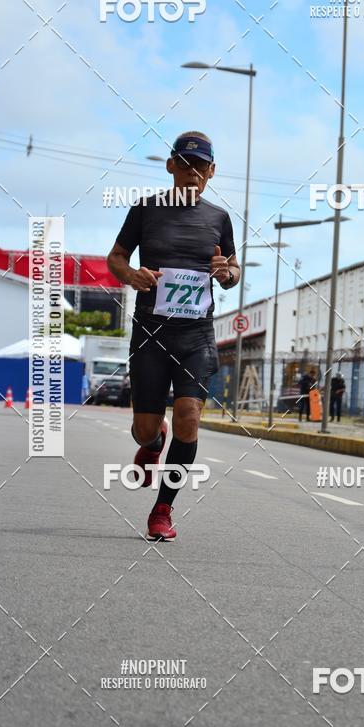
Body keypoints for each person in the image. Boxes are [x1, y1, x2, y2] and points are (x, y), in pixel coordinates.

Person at [107, 131, 240, 541]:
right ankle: (152, 444)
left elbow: (233, 270)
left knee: (188, 417)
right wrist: (131, 275)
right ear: (170, 166)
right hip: (151, 332)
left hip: (196, 334)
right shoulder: (145, 209)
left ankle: (163, 509)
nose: (192, 173)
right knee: (145, 428)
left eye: (200, 166)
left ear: (212, 172)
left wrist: (227, 273)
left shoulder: (219, 218)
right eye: (184, 164)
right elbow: (116, 257)